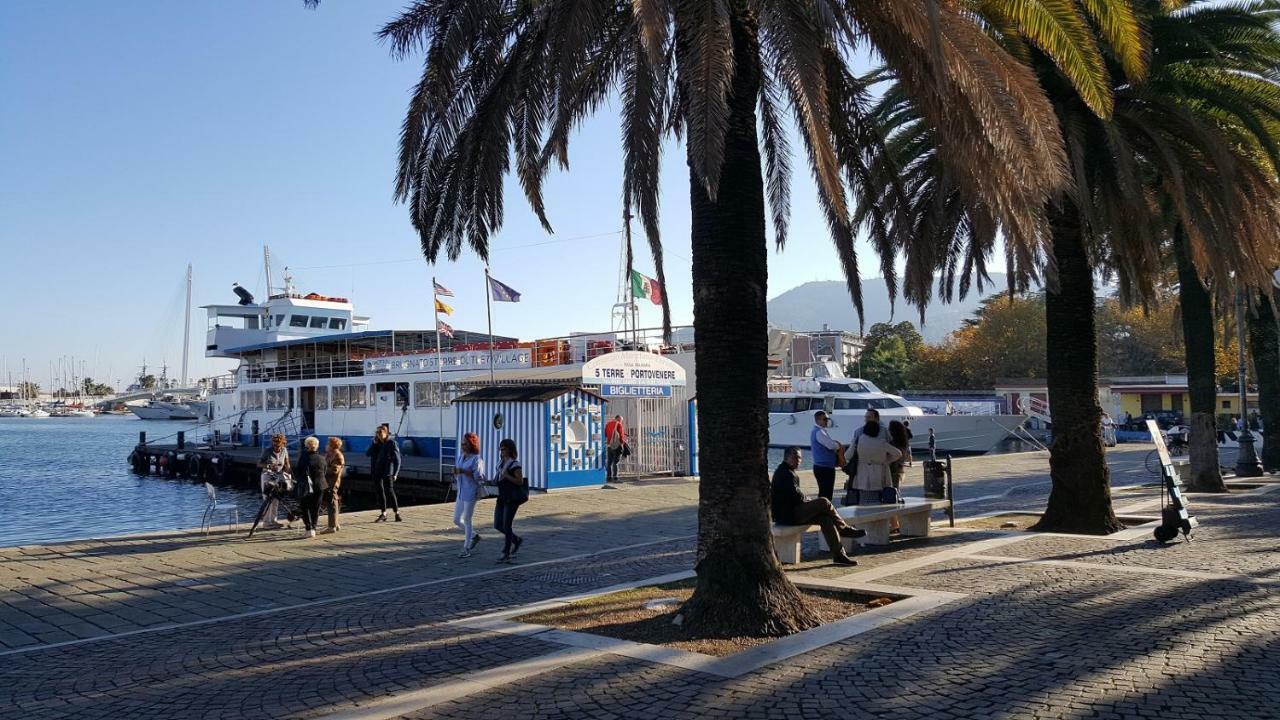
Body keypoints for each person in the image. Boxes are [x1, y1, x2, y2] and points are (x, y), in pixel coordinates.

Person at [771, 447, 865, 565]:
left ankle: (839, 555)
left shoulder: (788, 471)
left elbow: (796, 496)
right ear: (786, 458)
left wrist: (806, 500)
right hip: (787, 516)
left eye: (800, 457)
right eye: (795, 457)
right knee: (823, 502)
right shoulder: (784, 473)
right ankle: (844, 528)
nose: (798, 460)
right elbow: (796, 496)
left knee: (825, 519)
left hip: (791, 512)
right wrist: (808, 500)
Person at [850, 409, 902, 504]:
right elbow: (893, 451)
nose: (866, 419)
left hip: (872, 469)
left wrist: (886, 461)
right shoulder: (859, 431)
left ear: (877, 418)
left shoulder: (884, 431)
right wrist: (887, 461)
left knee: (871, 497)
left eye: (869, 417)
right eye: (866, 417)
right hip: (875, 467)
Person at [493, 438, 528, 564]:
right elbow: (499, 476)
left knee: (507, 525)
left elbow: (520, 481)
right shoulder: (501, 463)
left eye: (504, 449)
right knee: (497, 524)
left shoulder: (515, 464)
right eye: (500, 449)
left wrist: (507, 475)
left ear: (510, 449)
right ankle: (516, 540)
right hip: (502, 496)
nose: (501, 451)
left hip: (512, 497)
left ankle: (506, 552)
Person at [453, 432, 485, 558]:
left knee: (467, 518)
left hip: (471, 491)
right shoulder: (461, 457)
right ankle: (474, 535)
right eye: (461, 443)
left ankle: (466, 548)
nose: (462, 446)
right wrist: (455, 473)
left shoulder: (476, 459)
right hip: (461, 491)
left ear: (471, 444)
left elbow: (479, 477)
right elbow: (457, 473)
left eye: (465, 443)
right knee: (456, 520)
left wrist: (464, 471)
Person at [366, 426, 402, 522]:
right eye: (377, 433)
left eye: (380, 432)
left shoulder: (391, 443)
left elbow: (397, 460)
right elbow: (367, 453)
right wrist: (374, 444)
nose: (379, 434)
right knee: (379, 492)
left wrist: (395, 473)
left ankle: (396, 513)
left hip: (387, 471)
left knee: (389, 491)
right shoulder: (377, 443)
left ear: (386, 433)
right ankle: (383, 513)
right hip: (377, 470)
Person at [295, 436, 328, 539]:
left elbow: (299, 472)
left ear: (306, 446)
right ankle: (313, 528)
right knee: (315, 508)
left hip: (307, 486)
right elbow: (325, 471)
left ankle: (308, 528)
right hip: (321, 485)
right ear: (317, 447)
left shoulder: (304, 458)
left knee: (304, 507)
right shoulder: (322, 458)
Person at [257, 433, 292, 530]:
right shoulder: (267, 451)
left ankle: (273, 520)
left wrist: (287, 468)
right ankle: (266, 523)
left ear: (283, 443)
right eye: (275, 444)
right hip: (267, 476)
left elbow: (287, 462)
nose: (276, 446)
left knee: (276, 499)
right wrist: (269, 466)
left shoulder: (284, 450)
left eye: (278, 444)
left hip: (279, 476)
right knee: (267, 499)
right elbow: (259, 464)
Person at [809, 411, 841, 500]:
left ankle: (823, 510)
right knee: (826, 493)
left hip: (822, 466)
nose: (827, 421)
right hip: (824, 467)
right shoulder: (819, 432)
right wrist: (838, 445)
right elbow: (831, 445)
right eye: (825, 419)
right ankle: (823, 511)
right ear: (818, 420)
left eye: (828, 419)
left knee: (825, 492)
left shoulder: (818, 431)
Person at [321, 437, 345, 534]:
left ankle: (332, 526)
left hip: (333, 482)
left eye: (328, 443)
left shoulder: (337, 455)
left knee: (332, 503)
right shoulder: (329, 454)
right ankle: (335, 524)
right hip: (327, 481)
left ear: (332, 445)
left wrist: (321, 471)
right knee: (330, 502)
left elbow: (334, 470)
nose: (326, 445)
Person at [605, 415, 626, 483]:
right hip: (617, 446)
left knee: (609, 462)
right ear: (618, 419)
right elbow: (621, 435)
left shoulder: (608, 424)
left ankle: (608, 477)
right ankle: (615, 477)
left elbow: (605, 434)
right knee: (615, 462)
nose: (621, 422)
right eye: (621, 420)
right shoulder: (619, 424)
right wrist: (622, 443)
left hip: (609, 445)